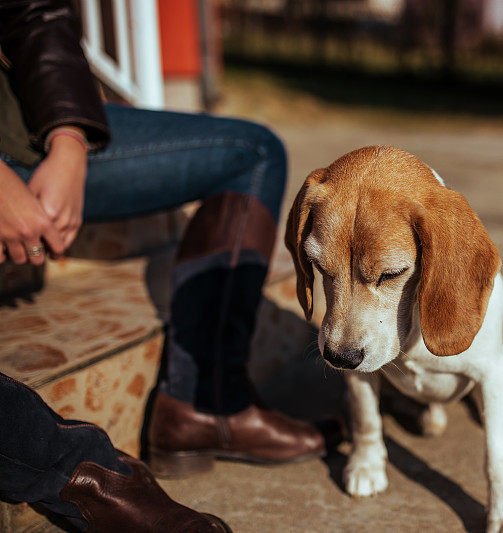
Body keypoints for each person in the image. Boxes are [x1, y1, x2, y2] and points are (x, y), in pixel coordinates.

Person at [0, 1, 333, 530]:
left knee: (252, 150)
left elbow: (36, 12)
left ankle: (206, 404)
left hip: (21, 121)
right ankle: (86, 475)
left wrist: (68, 139)